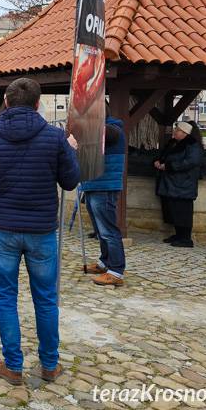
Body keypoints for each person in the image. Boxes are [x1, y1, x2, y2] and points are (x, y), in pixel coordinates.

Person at [0, 77, 79, 385]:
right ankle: (49, 364)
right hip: (41, 230)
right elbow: (70, 181)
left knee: (5, 297)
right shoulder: (55, 138)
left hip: (4, 229)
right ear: (37, 103)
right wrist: (69, 151)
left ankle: (13, 365)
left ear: (5, 103)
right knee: (45, 298)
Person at [79, 116, 126, 286]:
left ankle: (116, 271)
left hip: (104, 185)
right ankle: (104, 263)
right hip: (93, 184)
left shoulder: (113, 128)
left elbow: (105, 132)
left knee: (108, 231)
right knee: (100, 231)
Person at [155, 121, 203, 248]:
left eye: (177, 130)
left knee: (183, 212)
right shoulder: (174, 143)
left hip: (184, 184)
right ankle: (179, 235)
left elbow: (191, 162)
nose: (175, 132)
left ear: (185, 133)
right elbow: (166, 157)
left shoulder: (193, 145)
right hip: (173, 183)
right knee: (175, 211)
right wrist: (159, 162)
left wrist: (169, 166)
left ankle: (186, 238)